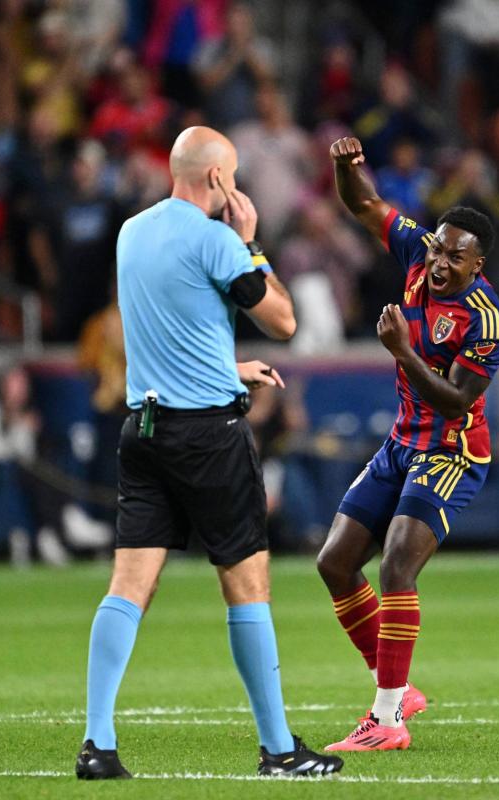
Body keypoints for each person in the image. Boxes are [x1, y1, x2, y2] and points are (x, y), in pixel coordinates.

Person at [75, 126, 343, 779]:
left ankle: (97, 744)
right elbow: (283, 320)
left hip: (143, 428)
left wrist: (228, 365)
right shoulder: (220, 241)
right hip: (208, 437)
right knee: (246, 585)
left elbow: (172, 319)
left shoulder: (132, 231)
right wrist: (251, 242)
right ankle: (279, 749)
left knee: (129, 585)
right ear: (221, 180)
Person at [317, 135, 499, 752]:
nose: (440, 261)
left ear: (476, 267)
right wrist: (346, 169)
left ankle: (386, 719)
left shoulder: (488, 321)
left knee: (398, 563)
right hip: (402, 443)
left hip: (454, 451)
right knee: (335, 563)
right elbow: (366, 204)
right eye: (438, 248)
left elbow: (456, 401)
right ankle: (397, 688)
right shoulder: (414, 251)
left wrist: (402, 350)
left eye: (456, 257)